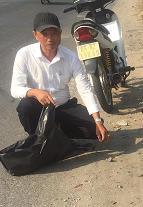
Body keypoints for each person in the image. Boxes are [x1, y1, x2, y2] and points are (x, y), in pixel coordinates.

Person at [11, 12, 110, 142]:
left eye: (54, 33)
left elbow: (85, 89)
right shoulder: (24, 54)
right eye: (44, 34)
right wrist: (35, 92)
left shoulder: (71, 57)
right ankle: (37, 139)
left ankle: (54, 132)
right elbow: (15, 89)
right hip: (39, 109)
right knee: (25, 106)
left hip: (63, 107)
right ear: (35, 35)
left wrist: (97, 121)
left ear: (60, 33)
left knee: (93, 131)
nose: (50, 39)